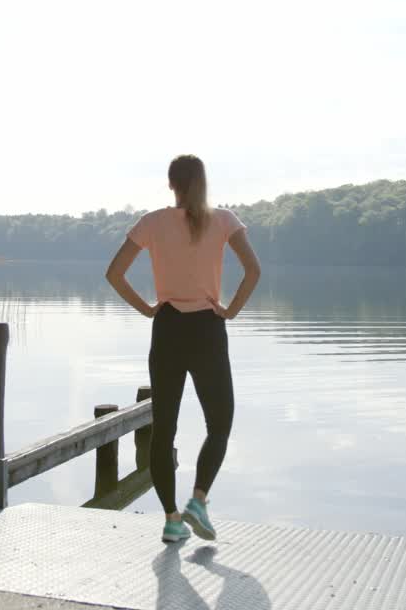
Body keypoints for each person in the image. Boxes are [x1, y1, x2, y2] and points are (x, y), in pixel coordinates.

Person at [105, 154, 261, 544]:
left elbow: (114, 273)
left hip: (168, 327)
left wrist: (147, 308)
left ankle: (172, 520)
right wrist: (231, 311)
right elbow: (253, 270)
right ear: (203, 181)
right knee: (220, 423)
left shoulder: (152, 223)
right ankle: (199, 499)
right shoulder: (224, 220)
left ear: (171, 183)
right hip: (208, 329)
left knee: (164, 431)